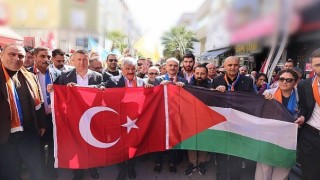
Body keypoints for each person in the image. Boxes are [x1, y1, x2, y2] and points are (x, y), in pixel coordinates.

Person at [101, 57, 153, 180]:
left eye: (132, 68)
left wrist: (150, 89)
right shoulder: (112, 81)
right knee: (119, 145)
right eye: (127, 68)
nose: (130, 71)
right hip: (118, 119)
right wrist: (75, 86)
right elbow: (99, 87)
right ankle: (122, 170)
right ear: (122, 69)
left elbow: (151, 95)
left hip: (135, 120)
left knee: (133, 145)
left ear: (136, 69)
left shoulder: (142, 82)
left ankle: (131, 167)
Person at [0, 44, 46, 180]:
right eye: (12, 54)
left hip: (29, 132)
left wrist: (42, 124)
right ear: (1, 56)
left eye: (21, 56)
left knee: (37, 168)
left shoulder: (31, 76)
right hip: (4, 135)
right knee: (10, 171)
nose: (16, 58)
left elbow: (39, 103)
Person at [54, 50, 101, 180]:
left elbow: (103, 89)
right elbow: (56, 92)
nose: (82, 62)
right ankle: (78, 173)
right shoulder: (64, 76)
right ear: (73, 61)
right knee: (75, 145)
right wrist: (63, 89)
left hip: (92, 116)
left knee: (92, 144)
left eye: (85, 59)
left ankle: (93, 167)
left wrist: (97, 88)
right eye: (79, 59)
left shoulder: (97, 76)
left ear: (88, 61)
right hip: (72, 117)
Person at [212, 56, 255, 180]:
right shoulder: (217, 80)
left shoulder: (247, 81)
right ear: (224, 67)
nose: (232, 67)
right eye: (229, 65)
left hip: (239, 125)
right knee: (221, 157)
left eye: (235, 65)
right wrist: (215, 91)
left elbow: (253, 100)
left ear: (239, 65)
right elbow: (211, 101)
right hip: (222, 124)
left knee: (237, 157)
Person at [255, 69, 299, 180]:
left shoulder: (300, 96)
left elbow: (304, 112)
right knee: (264, 167)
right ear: (278, 80)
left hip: (288, 137)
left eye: (289, 80)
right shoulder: (268, 93)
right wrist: (266, 102)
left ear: (295, 82)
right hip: (268, 135)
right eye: (282, 79)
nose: (285, 82)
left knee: (282, 169)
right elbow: (258, 112)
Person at [153, 57, 187, 174]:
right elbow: (150, 96)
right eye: (170, 65)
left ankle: (172, 162)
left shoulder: (184, 81)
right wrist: (158, 87)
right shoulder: (157, 80)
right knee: (159, 139)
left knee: (173, 139)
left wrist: (184, 88)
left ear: (178, 67)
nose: (173, 68)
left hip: (176, 115)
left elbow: (187, 99)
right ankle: (158, 162)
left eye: (175, 66)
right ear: (165, 67)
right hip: (161, 115)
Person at [296, 48, 320, 179]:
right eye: (318, 65)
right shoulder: (304, 85)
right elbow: (303, 106)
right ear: (312, 67)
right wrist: (302, 116)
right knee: (310, 174)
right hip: (311, 136)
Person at [184, 65, 210, 176]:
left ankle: (202, 163)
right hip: (191, 119)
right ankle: (192, 163)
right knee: (191, 142)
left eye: (202, 73)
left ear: (207, 75)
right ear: (194, 73)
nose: (199, 76)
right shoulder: (188, 86)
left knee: (204, 142)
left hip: (206, 119)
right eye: (197, 73)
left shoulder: (211, 87)